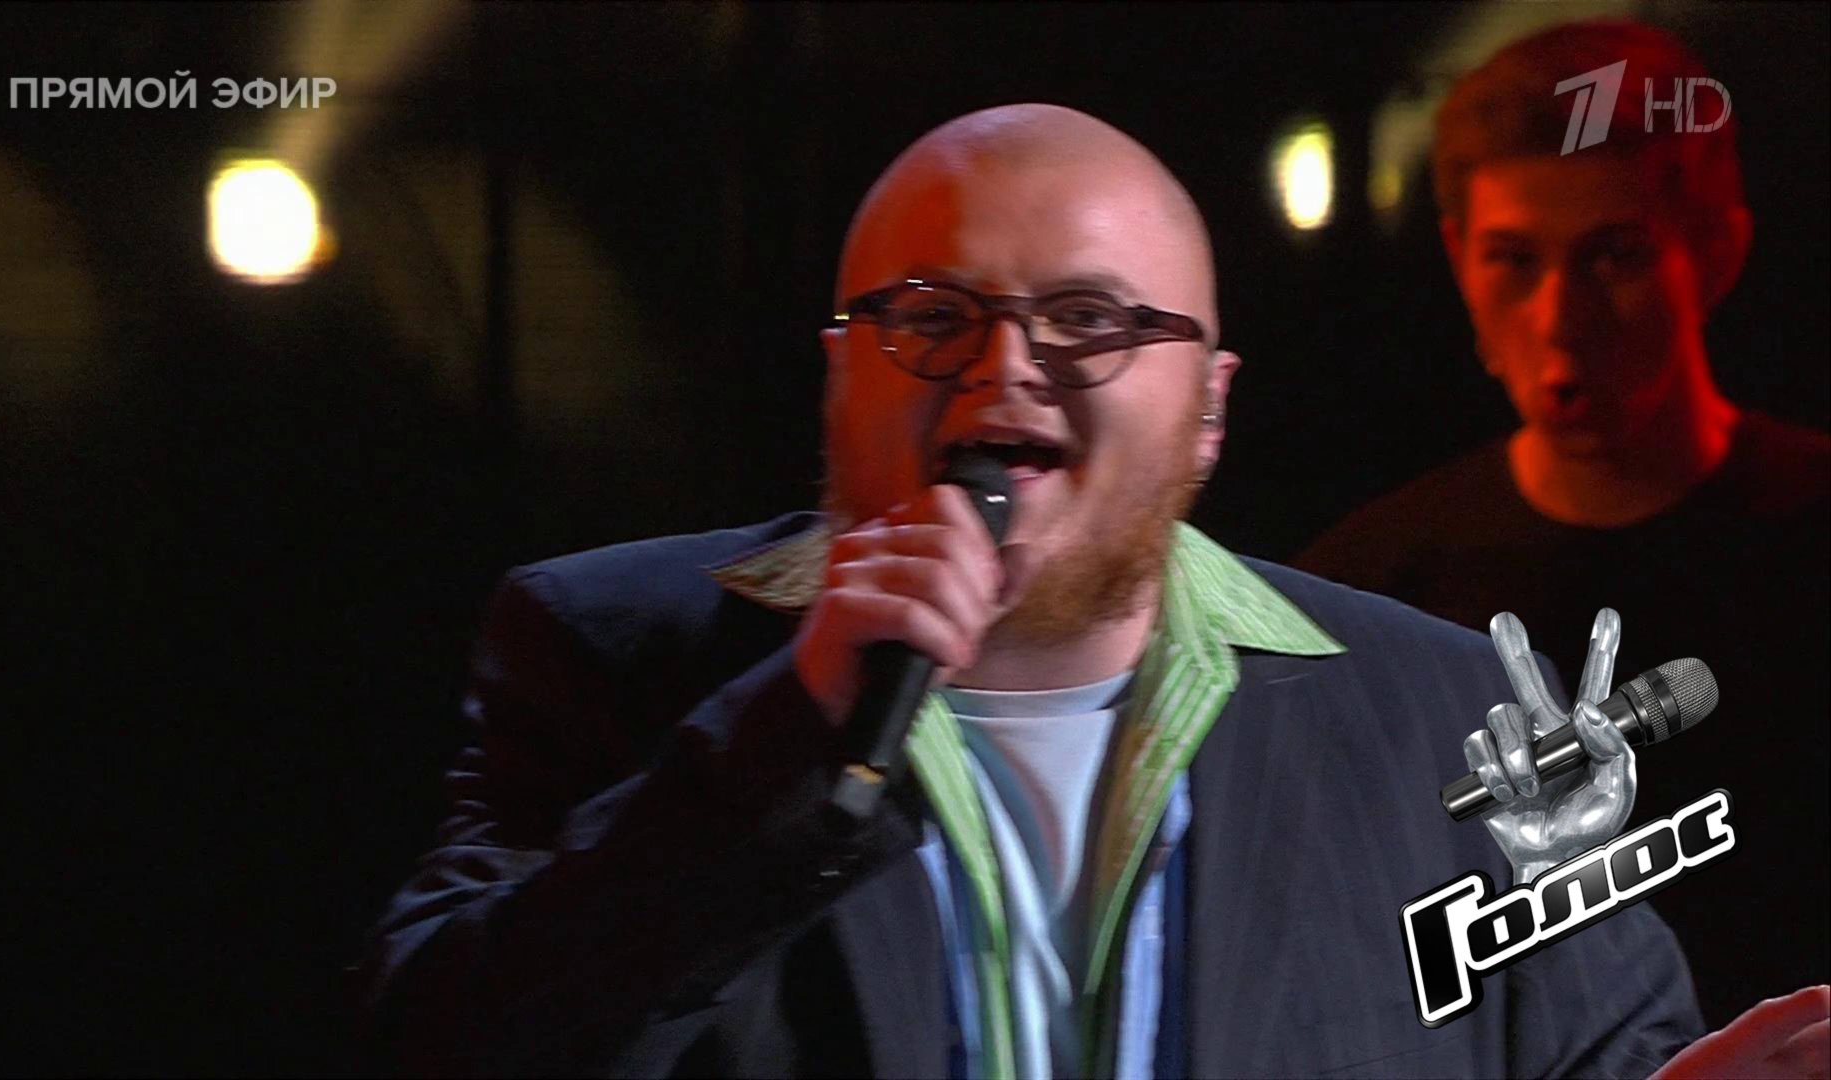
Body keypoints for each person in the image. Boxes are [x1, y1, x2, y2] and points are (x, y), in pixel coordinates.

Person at [357, 104, 1805, 1078]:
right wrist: (788, 736)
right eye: (932, 316)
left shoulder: (1443, 708)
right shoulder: (613, 646)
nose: (1005, 369)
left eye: (1088, 319)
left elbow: (1601, 1055)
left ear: (1211, 409)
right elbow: (446, 1043)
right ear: (840, 373)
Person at [1296, 20, 1830, 1030]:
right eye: (1513, 260)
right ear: (1458, 260)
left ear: (1716, 253)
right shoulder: (1368, 593)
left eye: (1614, 257)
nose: (1559, 321)